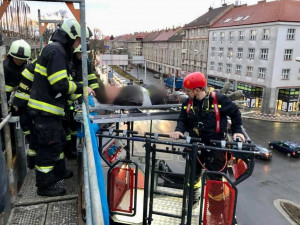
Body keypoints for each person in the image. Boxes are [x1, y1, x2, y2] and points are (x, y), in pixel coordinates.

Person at [27, 18, 95, 197]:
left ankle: (57, 174)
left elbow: (64, 85)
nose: (79, 44)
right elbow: (60, 84)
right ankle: (45, 186)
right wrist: (82, 88)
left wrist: (79, 93)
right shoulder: (57, 52)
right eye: (79, 39)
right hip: (45, 111)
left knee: (56, 144)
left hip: (50, 111)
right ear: (71, 36)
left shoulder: (57, 51)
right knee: (48, 148)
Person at [169, 72, 244, 220]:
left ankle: (215, 213)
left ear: (197, 90)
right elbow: (182, 119)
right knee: (192, 177)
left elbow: (235, 114)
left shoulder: (218, 100)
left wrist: (237, 131)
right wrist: (178, 131)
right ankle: (192, 202)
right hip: (196, 146)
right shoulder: (188, 103)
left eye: (188, 91)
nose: (185, 93)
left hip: (215, 148)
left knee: (215, 183)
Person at [1, 39, 31, 117]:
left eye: (22, 59)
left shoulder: (26, 68)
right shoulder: (3, 67)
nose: (19, 61)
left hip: (16, 103)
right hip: (2, 102)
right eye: (17, 58)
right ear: (11, 55)